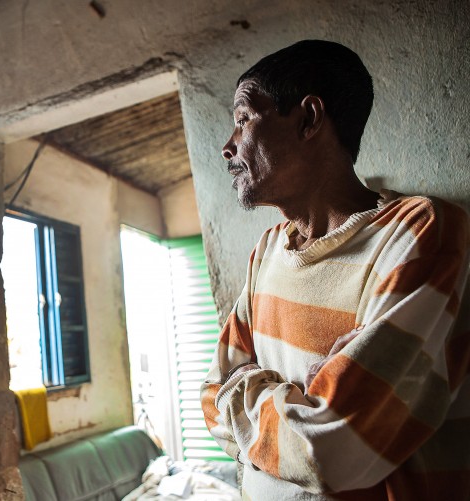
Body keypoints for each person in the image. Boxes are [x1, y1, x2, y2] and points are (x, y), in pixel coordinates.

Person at [200, 40, 470, 500]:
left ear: (308, 118)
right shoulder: (266, 251)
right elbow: (210, 398)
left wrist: (248, 396)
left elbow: (332, 450)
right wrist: (304, 396)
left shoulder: (419, 233)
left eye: (244, 118)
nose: (228, 147)